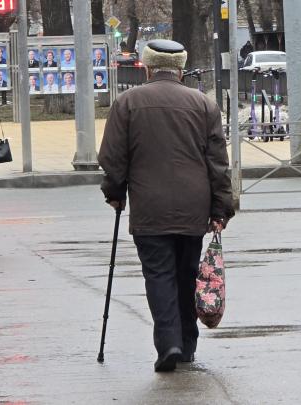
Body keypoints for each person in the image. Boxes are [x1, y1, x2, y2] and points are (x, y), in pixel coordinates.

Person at [98, 39, 234, 373]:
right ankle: (187, 345)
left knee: (159, 275)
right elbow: (218, 161)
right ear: (181, 70)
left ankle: (168, 342)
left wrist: (114, 192)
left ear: (146, 67)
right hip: (194, 207)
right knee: (188, 275)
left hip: (149, 208)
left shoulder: (127, 103)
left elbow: (113, 159)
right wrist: (221, 207)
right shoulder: (204, 105)